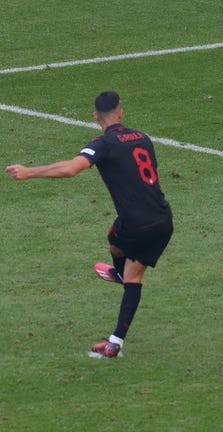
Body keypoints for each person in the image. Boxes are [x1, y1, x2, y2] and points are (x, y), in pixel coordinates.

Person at [6, 91, 173, 358]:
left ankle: (116, 326)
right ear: (120, 113)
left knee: (126, 261)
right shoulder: (143, 138)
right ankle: (116, 335)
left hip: (136, 225)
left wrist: (28, 172)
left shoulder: (103, 143)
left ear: (96, 117)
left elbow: (71, 168)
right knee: (126, 257)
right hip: (164, 220)